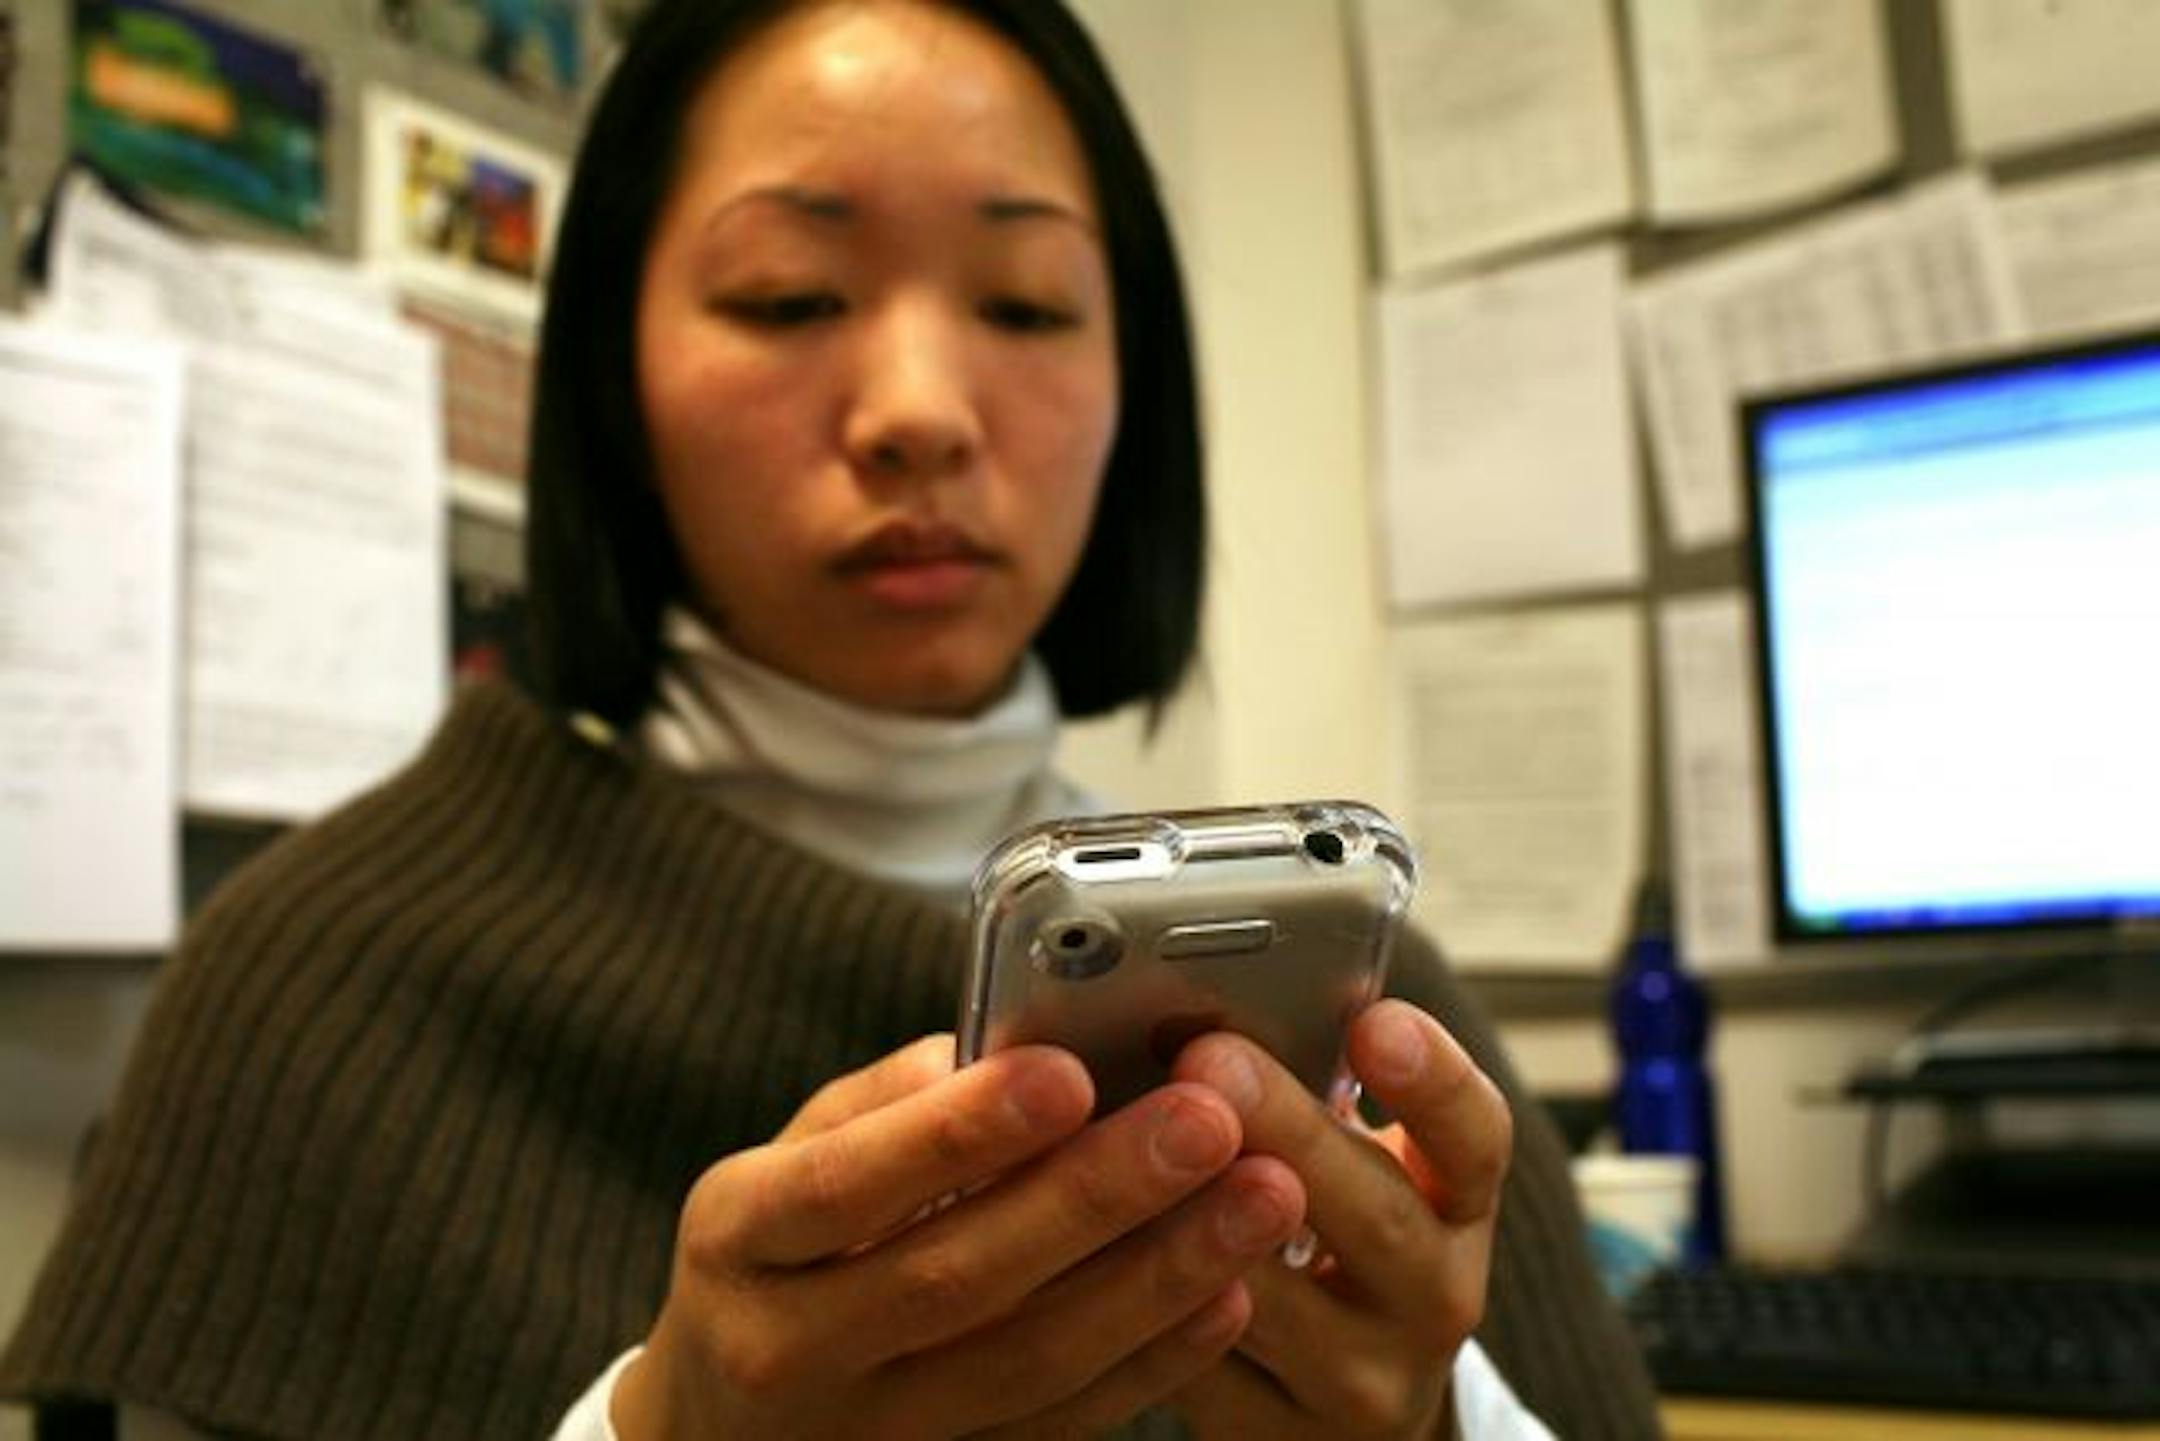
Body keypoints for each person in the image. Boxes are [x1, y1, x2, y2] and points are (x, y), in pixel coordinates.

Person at [0, 2, 1659, 1437]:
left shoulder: (1363, 1014)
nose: (920, 413)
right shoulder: (319, 982)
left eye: (1026, 304)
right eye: (791, 297)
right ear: (613, 384)